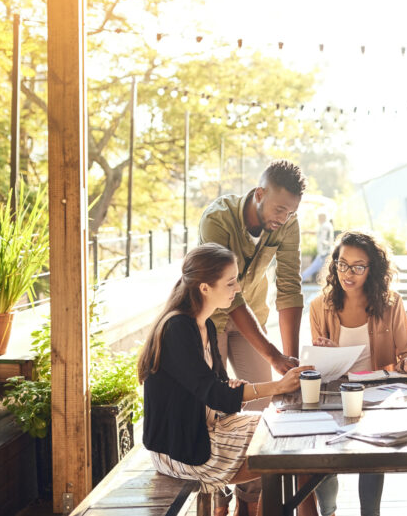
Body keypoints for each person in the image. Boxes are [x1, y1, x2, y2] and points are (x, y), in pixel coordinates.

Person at [137, 243, 317, 516]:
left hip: (208, 428)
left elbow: (219, 391)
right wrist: (277, 386)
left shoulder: (206, 325)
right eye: (230, 283)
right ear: (205, 287)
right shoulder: (177, 329)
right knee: (283, 449)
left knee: (291, 435)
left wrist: (232, 387)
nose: (238, 289)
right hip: (182, 448)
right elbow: (213, 393)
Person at [199, 158, 306, 514]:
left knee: (262, 412)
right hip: (209, 321)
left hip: (251, 322)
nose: (284, 218)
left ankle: (249, 503)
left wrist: (291, 370)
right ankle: (216, 496)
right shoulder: (217, 219)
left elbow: (289, 288)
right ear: (259, 194)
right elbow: (231, 296)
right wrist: (274, 355)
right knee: (212, 408)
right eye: (279, 208)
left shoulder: (287, 224)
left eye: (291, 212)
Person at [309, 231, 407, 516]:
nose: (348, 273)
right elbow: (317, 367)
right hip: (333, 394)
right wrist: (327, 352)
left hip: (376, 393)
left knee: (372, 454)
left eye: (358, 266)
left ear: (373, 270)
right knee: (325, 451)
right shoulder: (319, 306)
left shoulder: (391, 303)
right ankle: (329, 511)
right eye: (342, 264)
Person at [302, 212, 334, 283]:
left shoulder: (325, 226)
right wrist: (306, 232)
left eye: (319, 217)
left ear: (323, 217)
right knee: (326, 270)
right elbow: (318, 233)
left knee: (314, 268)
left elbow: (324, 239)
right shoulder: (325, 225)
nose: (318, 219)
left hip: (325, 253)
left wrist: (326, 247)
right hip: (325, 253)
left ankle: (299, 280)